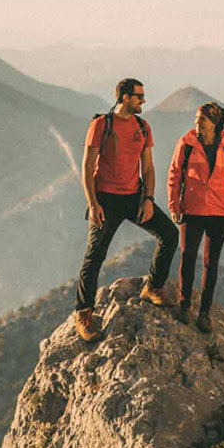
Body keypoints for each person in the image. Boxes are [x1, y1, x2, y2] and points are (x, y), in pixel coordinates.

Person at [73, 78, 179, 342]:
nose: (143, 101)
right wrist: (92, 202)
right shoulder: (101, 125)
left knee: (169, 234)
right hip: (106, 200)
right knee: (95, 255)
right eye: (139, 97)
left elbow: (149, 168)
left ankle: (153, 287)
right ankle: (84, 313)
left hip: (134, 197)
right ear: (124, 98)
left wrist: (148, 200)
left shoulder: (142, 127)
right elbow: (87, 167)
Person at [166, 100, 224, 333]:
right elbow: (175, 174)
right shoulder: (186, 143)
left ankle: (204, 313)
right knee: (188, 257)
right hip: (192, 210)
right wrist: (174, 205)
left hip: (219, 213)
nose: (197, 124)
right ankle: (184, 304)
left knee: (211, 263)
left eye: (202, 120)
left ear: (214, 123)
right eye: (196, 120)